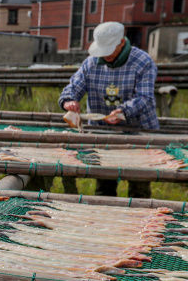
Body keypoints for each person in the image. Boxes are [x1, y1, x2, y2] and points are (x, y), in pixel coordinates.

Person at [59, 21, 158, 199]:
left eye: (109, 50)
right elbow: (74, 87)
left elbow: (145, 98)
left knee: (139, 188)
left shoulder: (143, 62)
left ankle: (138, 223)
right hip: (102, 132)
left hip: (138, 131)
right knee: (104, 186)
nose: (105, 56)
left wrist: (122, 112)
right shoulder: (90, 64)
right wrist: (69, 101)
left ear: (121, 42)